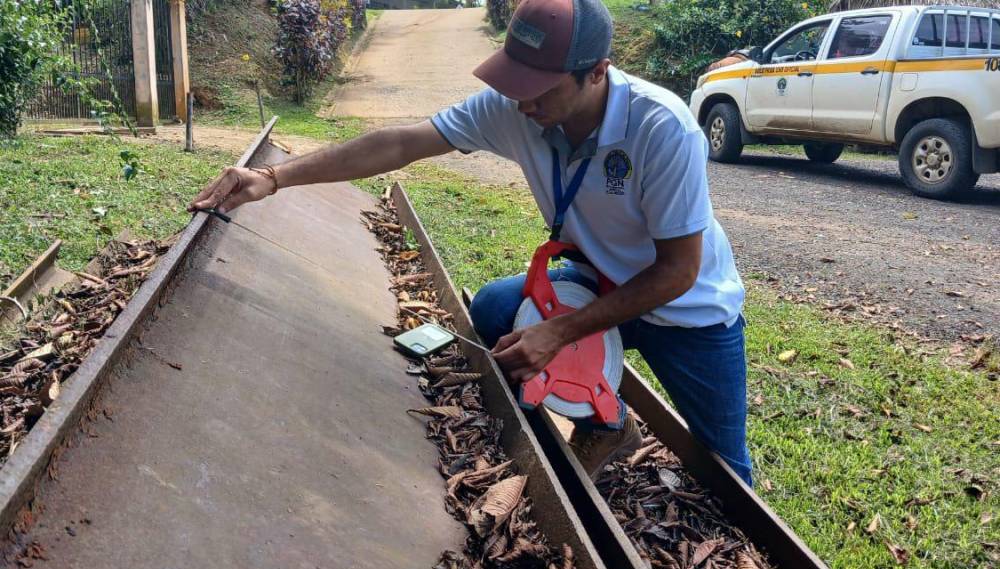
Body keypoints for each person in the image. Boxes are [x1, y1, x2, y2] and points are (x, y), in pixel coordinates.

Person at [189, 0, 751, 485]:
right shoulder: (517, 110)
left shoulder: (662, 128)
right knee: (496, 309)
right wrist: (275, 177)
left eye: (540, 89)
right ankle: (608, 425)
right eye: (515, 83)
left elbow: (678, 270)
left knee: (726, 471)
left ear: (596, 72)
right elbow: (399, 144)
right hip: (597, 279)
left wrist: (558, 330)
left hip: (687, 308)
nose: (523, 105)